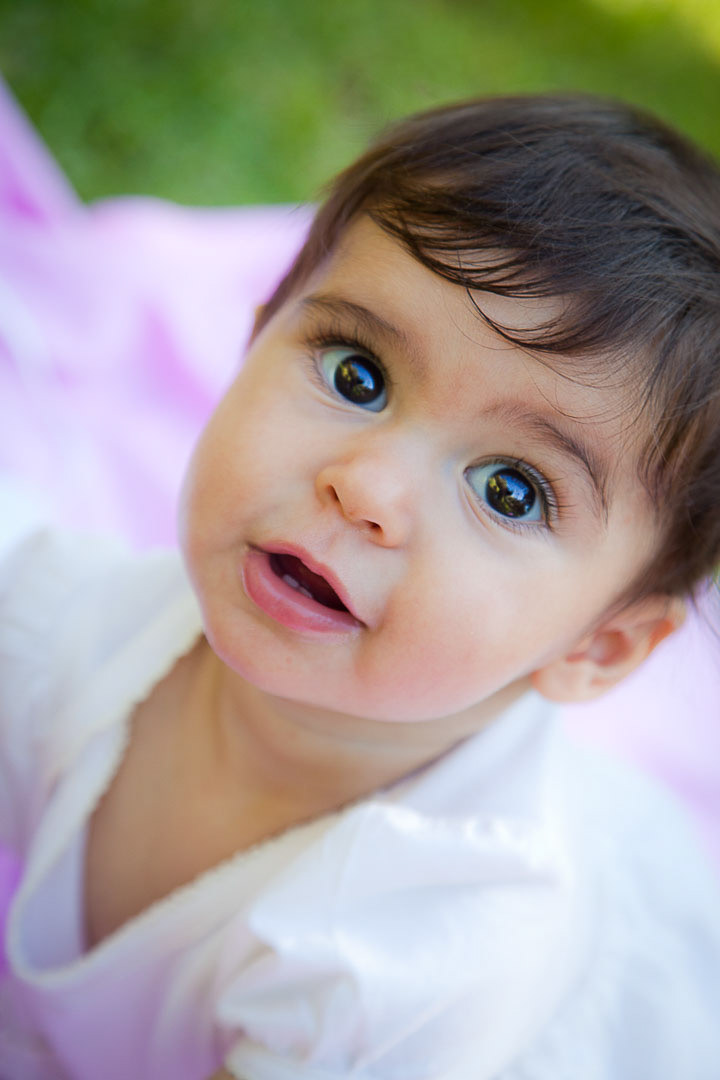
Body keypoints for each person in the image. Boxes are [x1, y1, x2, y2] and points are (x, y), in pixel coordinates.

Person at [1, 93, 719, 1080]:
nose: (366, 487)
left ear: (598, 647)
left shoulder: (410, 965)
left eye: (509, 491)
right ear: (254, 339)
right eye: (357, 375)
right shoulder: (64, 621)